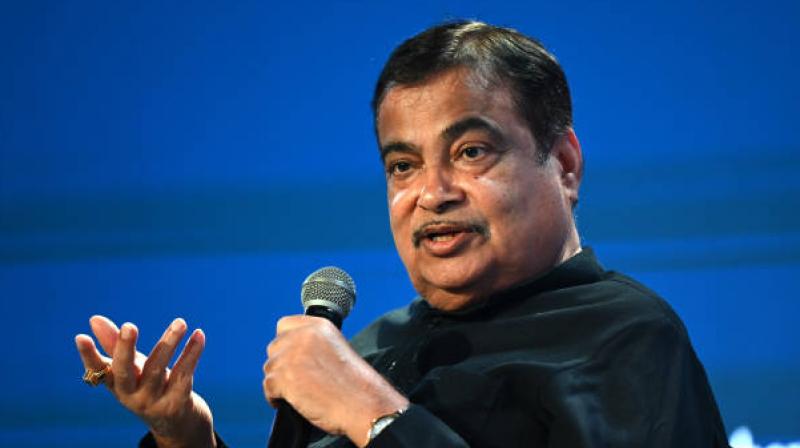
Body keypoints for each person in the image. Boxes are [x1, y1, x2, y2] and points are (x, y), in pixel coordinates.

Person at [75, 20, 730, 447]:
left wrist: (375, 414)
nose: (432, 193)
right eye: (403, 165)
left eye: (471, 152)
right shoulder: (368, 347)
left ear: (562, 164)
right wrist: (185, 436)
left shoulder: (627, 336)